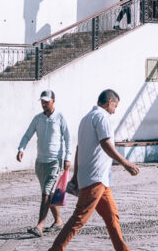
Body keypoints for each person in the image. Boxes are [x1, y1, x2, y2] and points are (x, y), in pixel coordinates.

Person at [47, 89, 139, 251]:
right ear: (109, 102)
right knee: (79, 218)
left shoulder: (86, 119)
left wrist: (76, 175)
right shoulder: (102, 117)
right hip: (95, 178)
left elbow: (79, 148)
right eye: (115, 106)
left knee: (112, 216)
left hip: (99, 178)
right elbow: (105, 143)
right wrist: (126, 163)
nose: (115, 111)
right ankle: (56, 249)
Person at [17, 89, 71, 237]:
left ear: (53, 101)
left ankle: (39, 225)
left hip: (54, 161)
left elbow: (68, 138)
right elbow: (27, 135)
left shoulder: (60, 117)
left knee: (46, 193)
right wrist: (21, 149)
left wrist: (68, 157)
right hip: (40, 163)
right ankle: (58, 221)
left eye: (46, 102)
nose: (44, 104)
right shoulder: (37, 119)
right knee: (49, 193)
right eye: (42, 102)